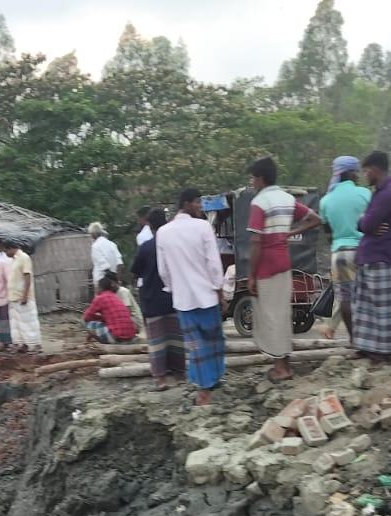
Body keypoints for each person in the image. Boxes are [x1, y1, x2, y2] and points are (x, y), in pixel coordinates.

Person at [244, 156, 323, 383]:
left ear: (260, 178)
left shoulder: (259, 202)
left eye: (253, 177)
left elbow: (256, 241)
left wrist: (251, 275)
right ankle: (284, 363)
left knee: (271, 316)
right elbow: (315, 219)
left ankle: (281, 369)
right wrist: (290, 232)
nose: (252, 181)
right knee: (281, 314)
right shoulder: (287, 199)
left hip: (267, 265)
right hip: (284, 262)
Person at [157, 188, 227, 406]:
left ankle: (206, 383)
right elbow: (213, 263)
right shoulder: (203, 227)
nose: (200, 207)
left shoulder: (163, 232)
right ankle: (207, 388)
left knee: (196, 345)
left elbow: (163, 270)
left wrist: (173, 287)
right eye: (198, 202)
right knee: (213, 341)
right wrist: (219, 289)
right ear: (187, 203)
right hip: (206, 296)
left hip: (184, 300)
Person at [352, 151, 391, 364]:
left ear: (375, 170)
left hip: (382, 256)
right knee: (365, 305)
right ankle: (366, 347)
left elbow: (367, 224)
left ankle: (383, 351)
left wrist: (365, 222)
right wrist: (365, 222)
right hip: (370, 256)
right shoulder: (381, 191)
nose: (365, 175)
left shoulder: (390, 192)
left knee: (381, 308)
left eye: (366, 171)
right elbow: (366, 224)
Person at [130, 208, 183, 391]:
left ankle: (160, 379)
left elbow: (135, 271)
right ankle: (179, 374)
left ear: (150, 225)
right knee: (176, 338)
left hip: (152, 299)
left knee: (156, 341)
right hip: (173, 298)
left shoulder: (146, 247)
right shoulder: (174, 245)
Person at [317, 155, 369, 339]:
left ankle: (353, 338)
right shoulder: (364, 194)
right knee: (365, 297)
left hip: (339, 252)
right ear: (350, 173)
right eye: (356, 172)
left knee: (345, 298)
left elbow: (328, 232)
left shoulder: (326, 201)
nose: (358, 176)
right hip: (363, 250)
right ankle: (367, 338)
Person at [0, 238, 42, 354]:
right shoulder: (13, 260)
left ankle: (35, 345)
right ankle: (22, 344)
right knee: (17, 324)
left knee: (29, 322)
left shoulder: (24, 258)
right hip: (13, 297)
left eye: (5, 251)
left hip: (23, 297)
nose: (5, 254)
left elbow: (27, 276)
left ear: (11, 248)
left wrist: (25, 296)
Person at [83, 274, 138, 344]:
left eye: (96, 287)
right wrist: (101, 318)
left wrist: (98, 318)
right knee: (104, 323)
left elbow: (86, 317)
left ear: (100, 288)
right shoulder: (115, 297)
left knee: (89, 324)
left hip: (117, 337)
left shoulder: (100, 298)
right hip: (131, 337)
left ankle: (108, 343)